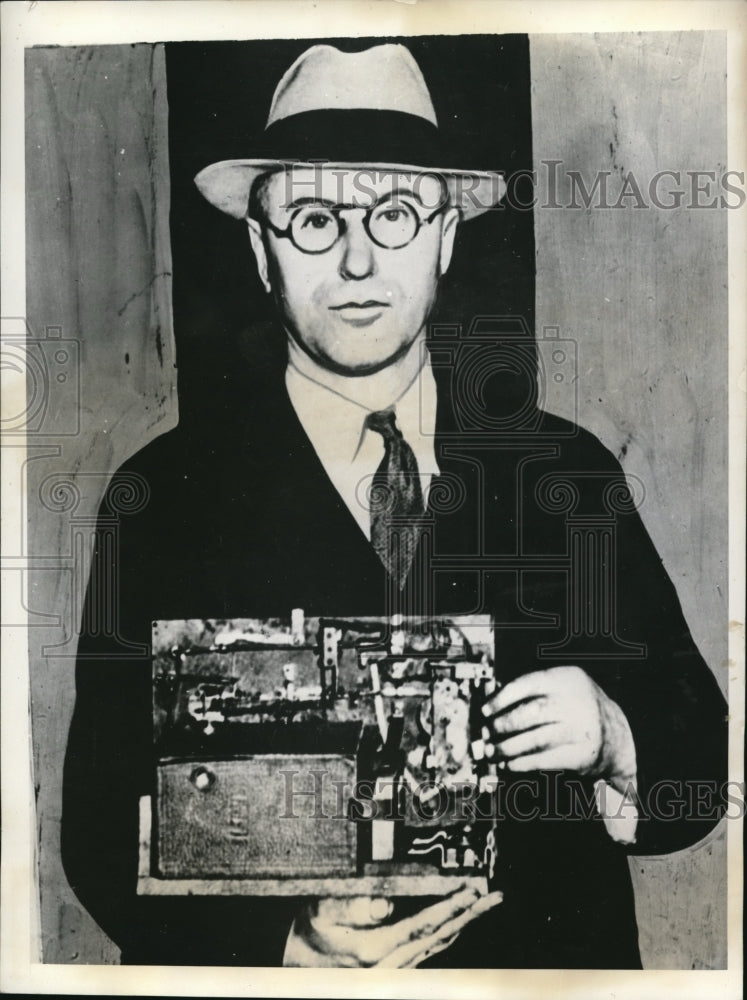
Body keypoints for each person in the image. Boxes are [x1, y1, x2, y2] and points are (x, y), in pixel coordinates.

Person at [62, 42, 727, 969]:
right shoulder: (161, 499)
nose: (360, 259)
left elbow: (701, 763)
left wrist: (613, 736)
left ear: (446, 238)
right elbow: (96, 828)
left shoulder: (563, 472)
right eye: (314, 220)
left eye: (396, 212)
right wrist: (278, 946)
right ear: (260, 251)